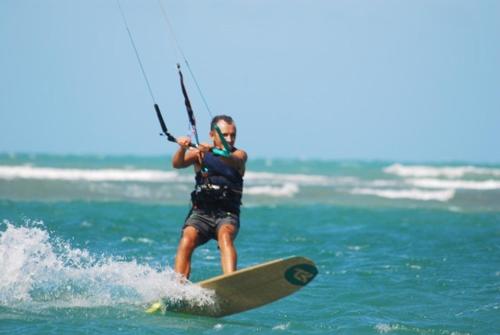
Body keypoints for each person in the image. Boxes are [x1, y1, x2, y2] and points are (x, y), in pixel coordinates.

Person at [172, 115, 247, 279]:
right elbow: (177, 164)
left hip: (227, 214)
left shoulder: (239, 155)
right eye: (225, 135)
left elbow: (231, 159)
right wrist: (182, 148)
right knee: (187, 238)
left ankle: (230, 281)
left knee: (225, 236)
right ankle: (177, 287)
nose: (230, 139)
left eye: (233, 135)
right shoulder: (199, 154)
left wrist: (211, 151)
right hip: (202, 214)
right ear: (212, 135)